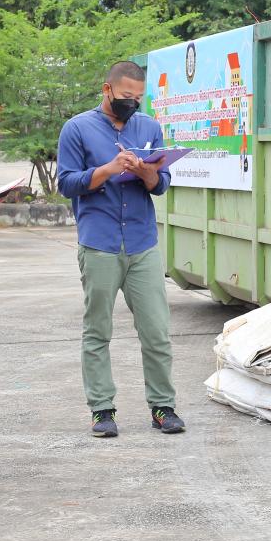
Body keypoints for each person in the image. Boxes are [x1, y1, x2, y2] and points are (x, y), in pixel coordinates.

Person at [57, 61, 183, 438]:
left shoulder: (148, 127)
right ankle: (102, 410)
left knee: (156, 330)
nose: (133, 103)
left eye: (139, 97)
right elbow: (67, 183)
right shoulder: (77, 128)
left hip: (142, 241)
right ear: (107, 90)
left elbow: (161, 184)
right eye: (127, 95)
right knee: (98, 330)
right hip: (100, 242)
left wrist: (147, 172)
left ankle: (163, 406)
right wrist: (109, 169)